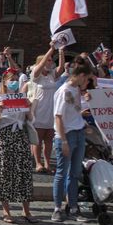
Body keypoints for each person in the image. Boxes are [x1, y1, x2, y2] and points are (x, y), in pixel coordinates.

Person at [0, 69, 37, 224]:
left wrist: (29, 108)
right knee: (5, 172)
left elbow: (31, 120)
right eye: (11, 79)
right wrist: (0, 112)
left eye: (16, 79)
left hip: (21, 136)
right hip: (6, 137)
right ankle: (6, 210)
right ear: (4, 81)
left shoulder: (22, 98)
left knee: (24, 171)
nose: (14, 82)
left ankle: (26, 210)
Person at [51, 63, 94, 222]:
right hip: (66, 135)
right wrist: (63, 141)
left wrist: (82, 121)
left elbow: (74, 111)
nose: (88, 83)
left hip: (78, 132)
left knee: (75, 173)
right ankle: (57, 208)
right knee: (61, 173)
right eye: (87, 79)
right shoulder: (63, 91)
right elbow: (58, 117)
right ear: (81, 76)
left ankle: (74, 208)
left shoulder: (76, 90)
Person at [27, 43, 65, 174]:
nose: (50, 62)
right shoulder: (36, 75)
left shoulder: (51, 75)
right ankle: (38, 163)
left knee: (49, 140)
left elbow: (61, 68)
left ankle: (48, 164)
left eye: (51, 60)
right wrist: (51, 49)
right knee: (38, 139)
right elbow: (40, 67)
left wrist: (60, 51)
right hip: (39, 111)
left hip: (51, 111)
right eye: (48, 60)